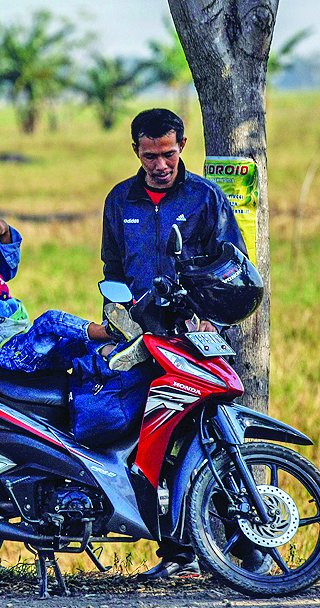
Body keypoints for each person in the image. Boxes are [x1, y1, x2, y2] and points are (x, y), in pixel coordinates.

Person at [101, 107, 263, 579]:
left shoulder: (206, 197)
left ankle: (246, 546)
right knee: (152, 442)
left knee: (211, 438)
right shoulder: (120, 200)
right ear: (136, 151)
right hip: (143, 343)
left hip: (196, 340)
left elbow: (233, 266)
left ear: (182, 146)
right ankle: (177, 553)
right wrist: (117, 319)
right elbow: (113, 270)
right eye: (150, 156)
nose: (160, 165)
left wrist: (209, 320)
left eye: (168, 154)